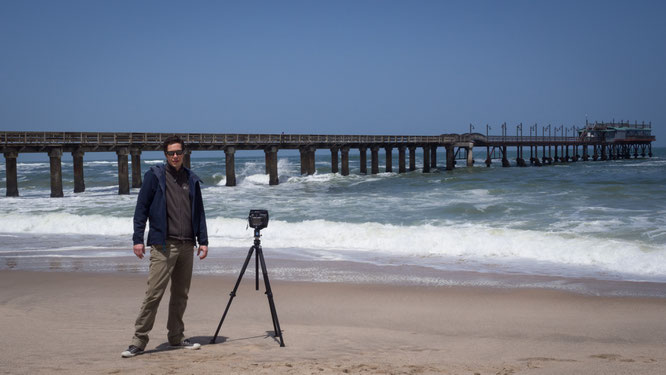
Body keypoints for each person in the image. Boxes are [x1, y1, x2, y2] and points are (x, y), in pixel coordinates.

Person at [121, 136, 209, 358]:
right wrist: (137, 239)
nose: (175, 156)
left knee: (181, 295)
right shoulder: (155, 176)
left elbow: (199, 212)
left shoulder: (191, 178)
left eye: (178, 152)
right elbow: (141, 208)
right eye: (171, 153)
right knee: (154, 294)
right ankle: (138, 341)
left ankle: (176, 337)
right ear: (165, 155)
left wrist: (204, 240)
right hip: (163, 245)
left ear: (184, 153)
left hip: (188, 245)